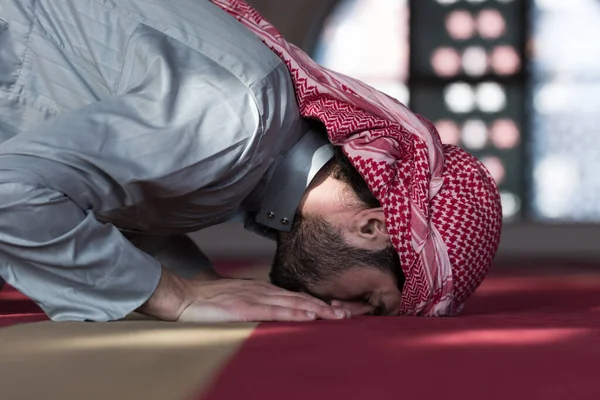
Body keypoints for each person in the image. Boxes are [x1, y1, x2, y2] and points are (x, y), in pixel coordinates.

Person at [0, 0, 502, 322]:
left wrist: (201, 282)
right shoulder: (237, 117)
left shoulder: (254, 144)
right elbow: (14, 192)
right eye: (371, 301)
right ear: (372, 227)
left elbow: (113, 189)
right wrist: (174, 296)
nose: (344, 314)